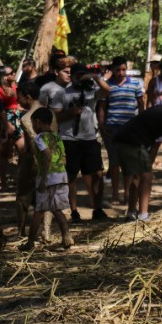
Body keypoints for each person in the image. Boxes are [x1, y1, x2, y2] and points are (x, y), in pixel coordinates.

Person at [111, 100, 162, 221]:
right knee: (147, 176)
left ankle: (131, 212)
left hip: (121, 140)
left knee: (137, 176)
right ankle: (143, 215)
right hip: (133, 142)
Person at [61, 64, 111, 221]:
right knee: (71, 176)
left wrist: (95, 77)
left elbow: (107, 90)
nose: (80, 78)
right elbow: (55, 116)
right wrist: (70, 113)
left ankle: (98, 209)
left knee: (97, 174)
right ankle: (74, 211)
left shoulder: (91, 90)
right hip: (69, 139)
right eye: (78, 75)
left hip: (89, 138)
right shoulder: (63, 92)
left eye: (83, 74)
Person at [19, 107, 73, 251]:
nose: (33, 128)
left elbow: (47, 156)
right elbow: (64, 159)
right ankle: (67, 236)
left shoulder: (39, 138)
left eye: (33, 124)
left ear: (37, 122)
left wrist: (43, 179)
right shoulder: (57, 137)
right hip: (61, 175)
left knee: (38, 210)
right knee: (57, 209)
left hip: (47, 177)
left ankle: (30, 243)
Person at [98, 56, 145, 203]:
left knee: (129, 163)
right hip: (112, 128)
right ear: (113, 69)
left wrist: (141, 123)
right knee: (114, 162)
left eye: (124, 69)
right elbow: (102, 107)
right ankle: (114, 194)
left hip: (130, 128)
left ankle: (127, 193)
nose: (121, 72)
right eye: (118, 69)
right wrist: (101, 124)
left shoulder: (135, 84)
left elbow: (141, 104)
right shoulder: (107, 85)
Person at [15, 81, 57, 237]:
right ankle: (46, 231)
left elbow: (31, 144)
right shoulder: (50, 114)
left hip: (34, 161)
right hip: (54, 160)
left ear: (27, 97)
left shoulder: (27, 118)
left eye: (19, 97)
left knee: (23, 196)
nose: (18, 101)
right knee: (48, 198)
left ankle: (21, 231)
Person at [0, 66, 25, 187]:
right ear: (3, 76)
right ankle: (3, 183)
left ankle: (19, 178)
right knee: (4, 153)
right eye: (11, 73)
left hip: (17, 120)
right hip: (4, 121)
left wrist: (20, 109)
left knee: (23, 150)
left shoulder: (15, 87)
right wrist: (5, 125)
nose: (13, 74)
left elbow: (16, 104)